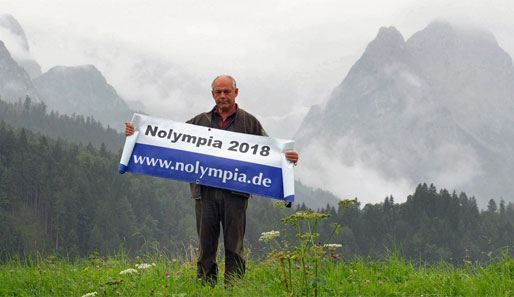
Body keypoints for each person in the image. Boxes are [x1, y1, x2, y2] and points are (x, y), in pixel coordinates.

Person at [125, 75, 299, 286]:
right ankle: (205, 289)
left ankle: (234, 288)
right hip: (204, 193)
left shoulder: (250, 122)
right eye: (218, 92)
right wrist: (137, 134)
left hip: (236, 194)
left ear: (236, 92)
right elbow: (168, 139)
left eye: (227, 91)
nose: (223, 96)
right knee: (206, 246)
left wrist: (287, 159)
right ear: (213, 95)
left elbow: (270, 153)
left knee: (234, 247)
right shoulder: (199, 122)